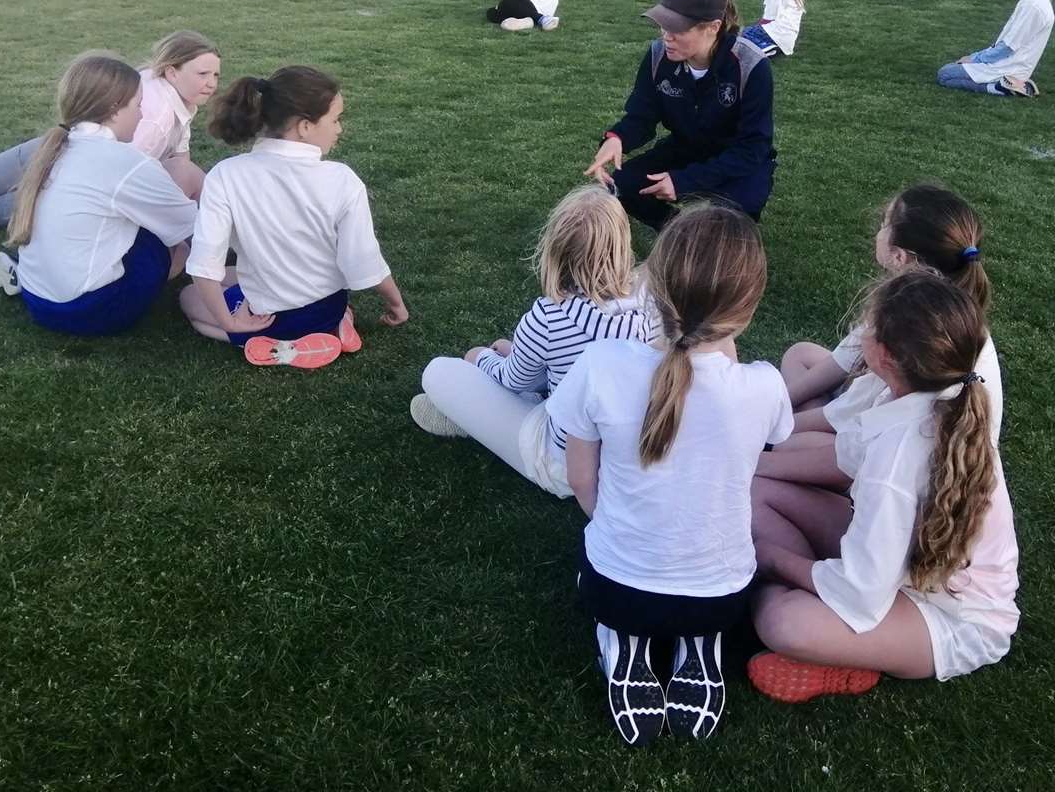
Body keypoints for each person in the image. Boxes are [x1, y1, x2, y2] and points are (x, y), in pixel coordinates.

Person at [549, 204, 793, 744]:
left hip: (615, 587)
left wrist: (617, 520)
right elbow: (764, 432)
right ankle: (699, 646)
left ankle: (625, 645)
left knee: (615, 586)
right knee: (700, 611)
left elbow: (581, 481)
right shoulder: (764, 386)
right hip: (723, 597)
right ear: (747, 309)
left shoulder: (601, 365)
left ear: (651, 287)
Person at [748, 270, 1018, 702]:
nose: (862, 332)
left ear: (886, 355)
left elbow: (861, 592)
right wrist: (747, 463)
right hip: (893, 562)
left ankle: (844, 652)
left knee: (781, 621)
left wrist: (772, 559)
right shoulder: (911, 396)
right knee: (756, 494)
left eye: (869, 327)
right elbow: (839, 457)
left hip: (947, 614)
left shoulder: (900, 457)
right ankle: (829, 615)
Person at [410, 184, 658, 495]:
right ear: (622, 246)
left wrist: (482, 358)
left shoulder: (549, 317)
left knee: (438, 372)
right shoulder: (646, 310)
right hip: (620, 459)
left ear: (553, 249)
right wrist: (515, 350)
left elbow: (514, 381)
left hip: (565, 463)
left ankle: (472, 420)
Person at [179, 66, 408, 368]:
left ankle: (284, 346)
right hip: (329, 308)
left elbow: (205, 266)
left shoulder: (226, 175)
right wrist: (397, 305)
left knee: (188, 297)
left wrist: (230, 322)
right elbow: (363, 260)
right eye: (335, 119)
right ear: (304, 126)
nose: (340, 129)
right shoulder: (342, 179)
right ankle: (338, 324)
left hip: (269, 318)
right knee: (233, 277)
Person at [777, 184, 998, 438]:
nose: (878, 230)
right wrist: (779, 408)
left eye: (884, 222)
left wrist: (772, 422)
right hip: (892, 429)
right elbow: (839, 367)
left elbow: (849, 415)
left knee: (777, 447)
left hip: (894, 445)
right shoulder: (949, 307)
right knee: (801, 355)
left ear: (899, 256)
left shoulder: (908, 325)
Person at [6, 52, 197, 336]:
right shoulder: (126, 162)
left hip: (37, 299)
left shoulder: (57, 147)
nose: (142, 114)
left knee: (128, 223)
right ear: (115, 109)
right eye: (139, 105)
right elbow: (192, 224)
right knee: (168, 244)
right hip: (89, 312)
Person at [584, 0, 776, 230]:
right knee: (623, 184)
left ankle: (719, 232)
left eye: (678, 28)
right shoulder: (657, 56)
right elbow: (642, 117)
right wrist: (616, 138)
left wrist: (684, 181)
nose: (666, 35)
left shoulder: (751, 65)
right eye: (664, 24)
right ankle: (678, 231)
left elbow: (752, 148)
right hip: (686, 148)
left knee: (737, 214)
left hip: (737, 159)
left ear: (713, 27)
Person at [0, 30, 220, 235]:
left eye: (215, 75)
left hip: (57, 150)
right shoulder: (156, 118)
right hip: (60, 175)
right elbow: (116, 173)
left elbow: (181, 156)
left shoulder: (169, 90)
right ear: (172, 71)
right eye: (202, 74)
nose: (212, 83)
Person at [936, 0, 1053, 98]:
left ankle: (1001, 87)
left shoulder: (1033, 6)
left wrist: (974, 58)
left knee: (945, 75)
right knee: (953, 69)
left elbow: (1006, 48)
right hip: (1009, 64)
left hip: (1008, 67)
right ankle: (1008, 85)